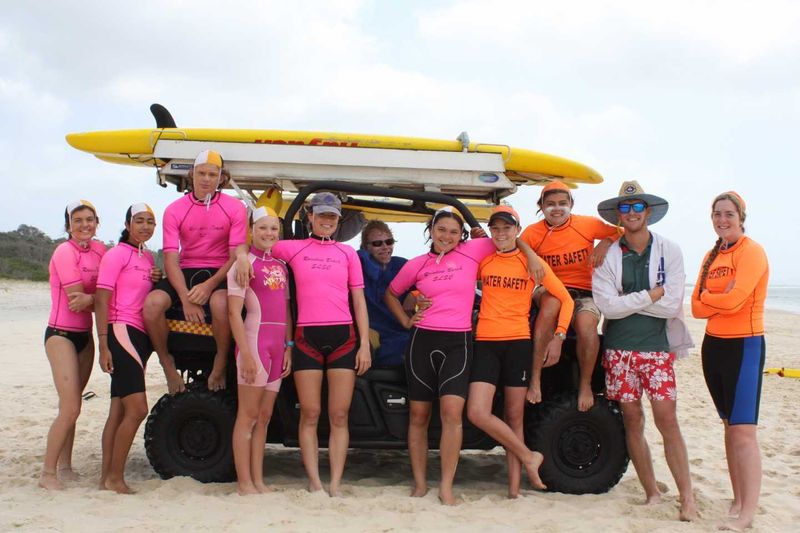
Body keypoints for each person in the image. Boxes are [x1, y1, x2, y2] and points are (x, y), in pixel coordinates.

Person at [384, 207, 543, 505]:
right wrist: (406, 320)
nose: (447, 236)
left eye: (454, 232)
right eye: (441, 230)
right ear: (431, 231)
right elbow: (391, 294)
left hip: (458, 343)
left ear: (462, 236)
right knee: (418, 417)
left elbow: (510, 237)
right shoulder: (417, 264)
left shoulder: (472, 251)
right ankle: (419, 484)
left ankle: (446, 486)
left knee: (452, 416)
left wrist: (531, 257)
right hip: (422, 342)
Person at [242, 192, 370, 495]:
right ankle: (314, 481)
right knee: (310, 413)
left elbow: (359, 301)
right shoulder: (292, 248)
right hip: (305, 337)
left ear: (339, 220)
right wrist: (238, 255)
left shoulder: (347, 253)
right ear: (309, 217)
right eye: (321, 215)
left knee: (339, 415)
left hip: (343, 336)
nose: (327, 221)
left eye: (332, 216)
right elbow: (256, 239)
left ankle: (335, 483)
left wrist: (364, 343)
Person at [592, 181, 697, 521]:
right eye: (626, 208)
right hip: (619, 349)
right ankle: (652, 492)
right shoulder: (607, 253)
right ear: (618, 214)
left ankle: (687, 498)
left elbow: (670, 306)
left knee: (668, 421)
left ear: (648, 212)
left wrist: (630, 302)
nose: (632, 213)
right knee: (632, 420)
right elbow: (606, 305)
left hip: (656, 349)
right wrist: (649, 295)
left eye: (638, 207)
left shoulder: (670, 250)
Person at [466, 205, 573, 497]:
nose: (501, 233)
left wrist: (559, 335)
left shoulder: (532, 264)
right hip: (486, 343)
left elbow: (566, 300)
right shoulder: (484, 259)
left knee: (515, 418)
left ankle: (514, 490)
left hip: (517, 344)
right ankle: (529, 457)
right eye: (495, 228)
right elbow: (456, 273)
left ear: (517, 229)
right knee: (477, 411)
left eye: (507, 228)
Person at [691, 191, 768, 531]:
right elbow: (695, 308)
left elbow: (738, 302)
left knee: (743, 433)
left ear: (741, 217)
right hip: (714, 348)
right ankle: (737, 501)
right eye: (717, 214)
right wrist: (716, 297)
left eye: (729, 214)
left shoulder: (751, 252)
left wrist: (712, 298)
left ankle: (748, 514)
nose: (723, 219)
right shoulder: (712, 254)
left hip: (745, 347)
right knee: (728, 427)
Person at [143, 150, 247, 394]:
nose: (206, 179)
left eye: (213, 174)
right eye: (202, 173)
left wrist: (210, 286)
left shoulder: (235, 207)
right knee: (152, 304)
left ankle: (220, 362)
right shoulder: (175, 209)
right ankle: (166, 363)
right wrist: (185, 299)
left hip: (221, 269)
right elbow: (171, 257)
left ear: (222, 178)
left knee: (221, 304)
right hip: (186, 269)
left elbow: (235, 254)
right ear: (192, 174)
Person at [520, 181, 620, 411]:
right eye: (551, 204)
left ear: (571, 205)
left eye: (563, 203)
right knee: (552, 304)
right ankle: (535, 378)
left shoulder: (586, 224)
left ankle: (585, 385)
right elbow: (514, 246)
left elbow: (620, 231)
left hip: (584, 293)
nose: (557, 208)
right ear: (541, 206)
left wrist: (604, 242)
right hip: (551, 289)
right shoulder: (534, 232)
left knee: (587, 326)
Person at [95, 203, 161, 493]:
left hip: (140, 336)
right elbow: (100, 299)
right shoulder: (115, 255)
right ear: (127, 223)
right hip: (121, 331)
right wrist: (103, 345)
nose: (145, 226)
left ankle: (106, 477)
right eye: (139, 221)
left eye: (150, 222)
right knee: (137, 410)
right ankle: (115, 478)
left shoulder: (147, 257)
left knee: (118, 411)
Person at [40, 200, 106, 490]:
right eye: (77, 220)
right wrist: (99, 299)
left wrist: (96, 299)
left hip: (85, 337)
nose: (84, 225)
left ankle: (65, 467)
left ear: (96, 222)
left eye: (89, 219)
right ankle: (47, 474)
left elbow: (107, 290)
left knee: (74, 404)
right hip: (60, 335)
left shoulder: (100, 250)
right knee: (70, 407)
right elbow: (77, 300)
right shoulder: (64, 252)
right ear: (68, 225)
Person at [228, 207, 292, 495]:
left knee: (264, 417)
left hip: (278, 348)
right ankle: (244, 483)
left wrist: (288, 347)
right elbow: (233, 314)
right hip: (254, 345)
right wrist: (247, 354)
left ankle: (258, 479)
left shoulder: (280, 266)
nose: (269, 234)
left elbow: (286, 311)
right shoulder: (243, 264)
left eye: (274, 229)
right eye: (263, 228)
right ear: (252, 230)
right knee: (248, 416)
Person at [357, 220, 414, 368]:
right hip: (371, 329)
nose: (385, 247)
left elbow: (428, 283)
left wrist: (414, 294)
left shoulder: (402, 265)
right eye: (377, 243)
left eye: (389, 242)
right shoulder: (358, 264)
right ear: (365, 247)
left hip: (401, 327)